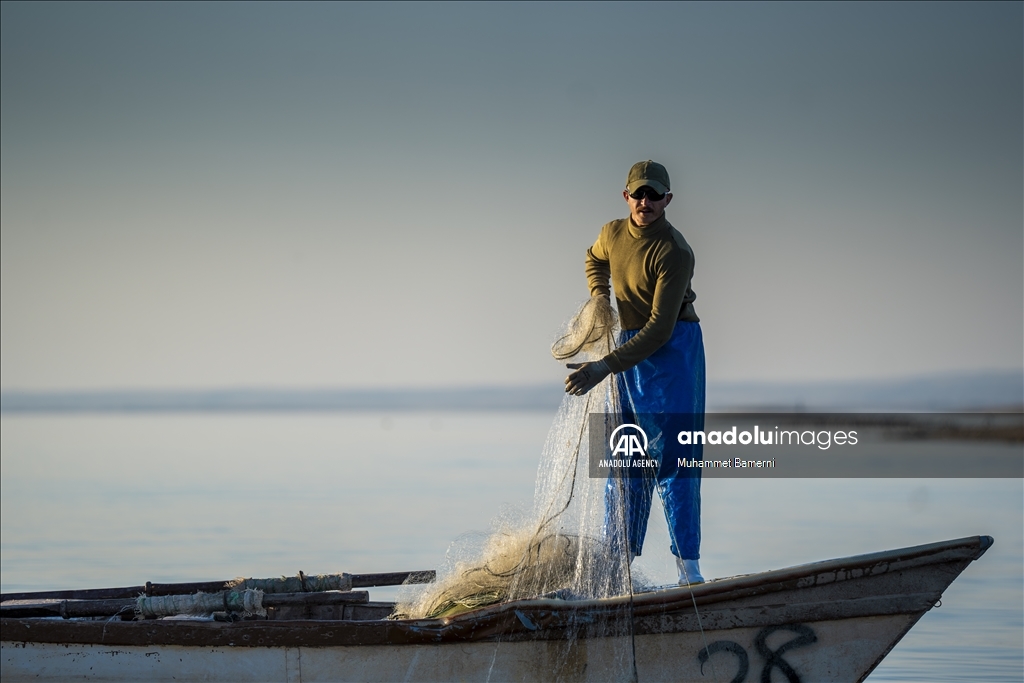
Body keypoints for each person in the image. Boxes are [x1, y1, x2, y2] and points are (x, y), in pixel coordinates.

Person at [564, 160, 706, 585]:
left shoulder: (675, 252)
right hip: (627, 344)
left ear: (668, 200)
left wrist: (602, 368)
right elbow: (594, 259)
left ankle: (689, 570)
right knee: (625, 456)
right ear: (626, 196)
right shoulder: (611, 233)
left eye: (654, 195)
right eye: (638, 194)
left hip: (673, 350)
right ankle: (616, 566)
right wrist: (599, 298)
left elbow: (660, 330)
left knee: (676, 458)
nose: (645, 202)